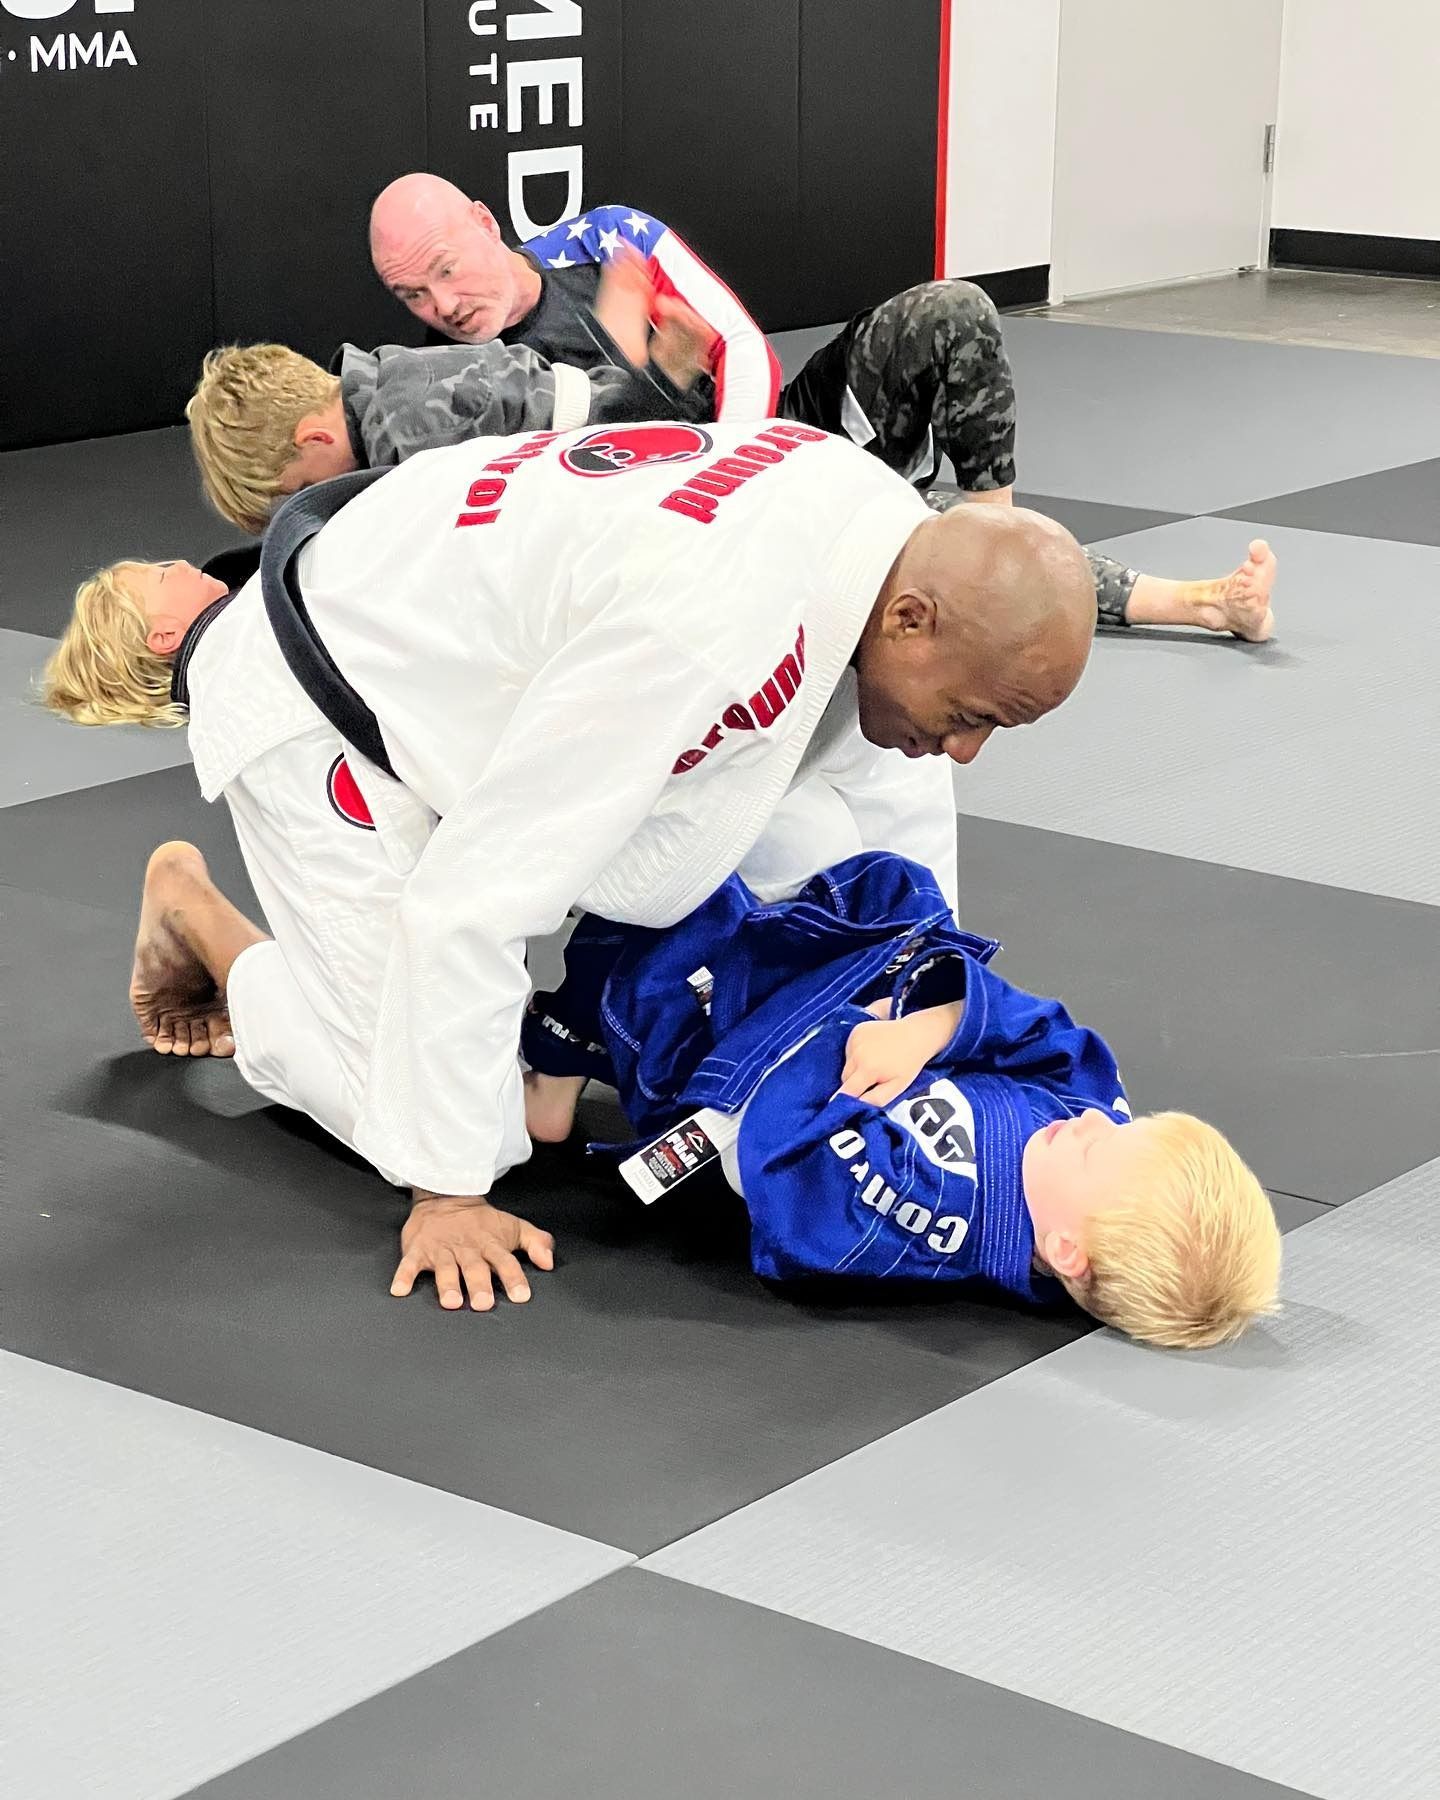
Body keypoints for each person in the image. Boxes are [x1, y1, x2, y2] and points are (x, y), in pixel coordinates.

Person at [42, 421, 1096, 1309]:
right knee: (457, 1123)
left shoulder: (886, 538)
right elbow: (468, 901)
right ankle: (208, 930)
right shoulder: (703, 634)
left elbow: (896, 795)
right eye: (970, 717)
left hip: (463, 630)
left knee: (827, 837)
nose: (965, 748)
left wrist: (933, 1011)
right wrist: (445, 1195)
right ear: (912, 621)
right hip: (321, 697)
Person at [369, 174, 1277, 641]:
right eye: (412, 297)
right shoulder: (464, 386)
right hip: (699, 527)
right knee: (900, 519)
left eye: (445, 269)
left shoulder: (602, 241)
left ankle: (1001, 546)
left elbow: (740, 345)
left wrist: (761, 460)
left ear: (487, 224)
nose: (440, 306)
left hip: (772, 432)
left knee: (948, 312)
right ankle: (1194, 603)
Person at [517, 850, 1282, 1350]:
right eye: (1122, 1125)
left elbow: (789, 1184)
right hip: (853, 1006)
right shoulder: (1087, 1134)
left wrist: (850, 1037)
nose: (1089, 1119)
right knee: (899, 888)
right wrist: (934, 1027)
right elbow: (1045, 1032)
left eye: (1098, 1147)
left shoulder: (935, 1219)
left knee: (666, 900)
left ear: (1065, 1252)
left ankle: (558, 1064)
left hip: (729, 1077)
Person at [185, 253, 714, 534]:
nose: (310, 497)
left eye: (301, 487)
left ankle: (665, 376)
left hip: (621, 433)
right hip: (555, 396)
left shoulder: (408, 436)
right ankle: (641, 360)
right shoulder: (369, 382)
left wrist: (658, 393)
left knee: (625, 423)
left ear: (315, 437)